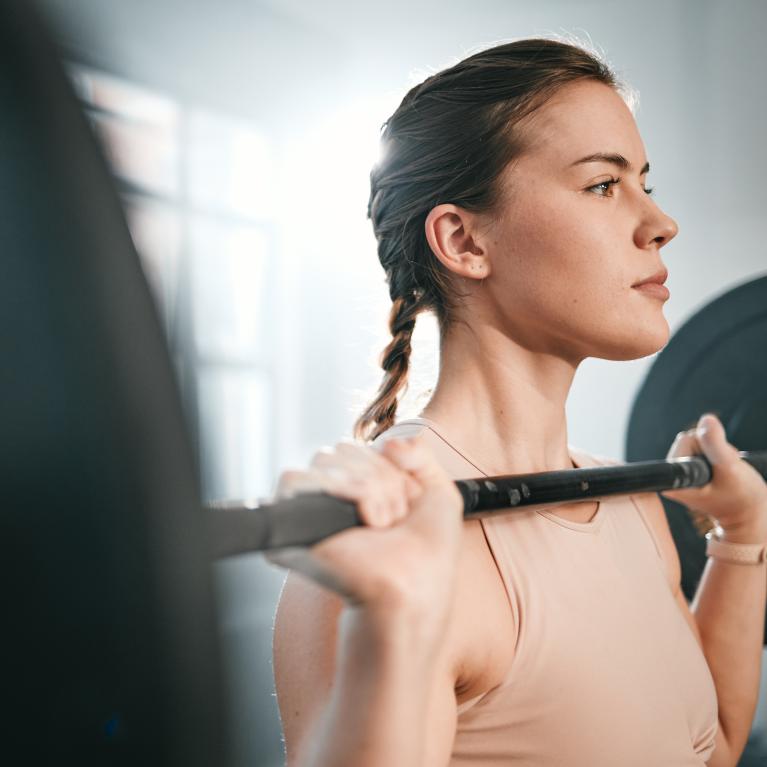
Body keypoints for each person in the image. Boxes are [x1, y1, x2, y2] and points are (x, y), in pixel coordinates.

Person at [270, 38, 767, 766]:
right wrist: (394, 623)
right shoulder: (375, 551)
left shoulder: (632, 509)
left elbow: (710, 749)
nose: (660, 223)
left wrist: (739, 533)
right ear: (464, 240)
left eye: (644, 184)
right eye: (602, 185)